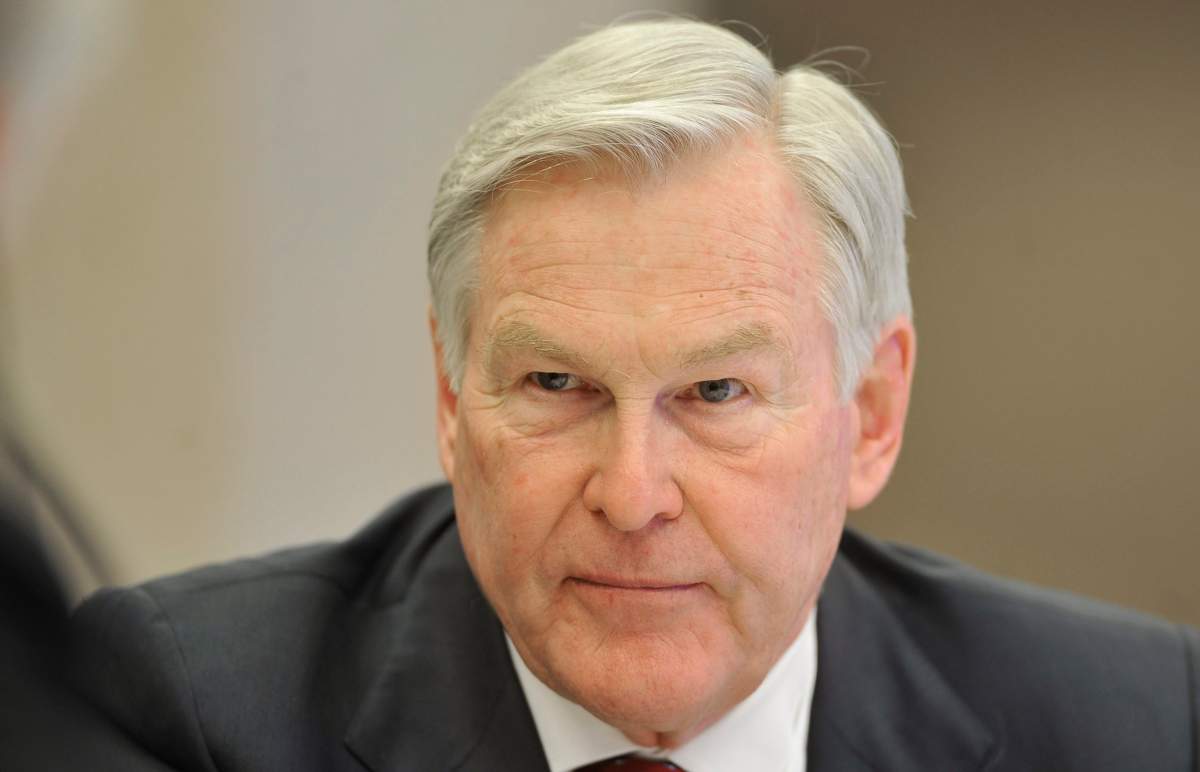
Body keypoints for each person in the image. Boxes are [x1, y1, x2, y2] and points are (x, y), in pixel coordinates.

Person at [69, 18, 1198, 772]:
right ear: (453, 403)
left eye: (715, 391)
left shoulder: (1135, 724)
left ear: (870, 416)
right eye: (557, 383)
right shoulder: (185, 716)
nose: (632, 491)